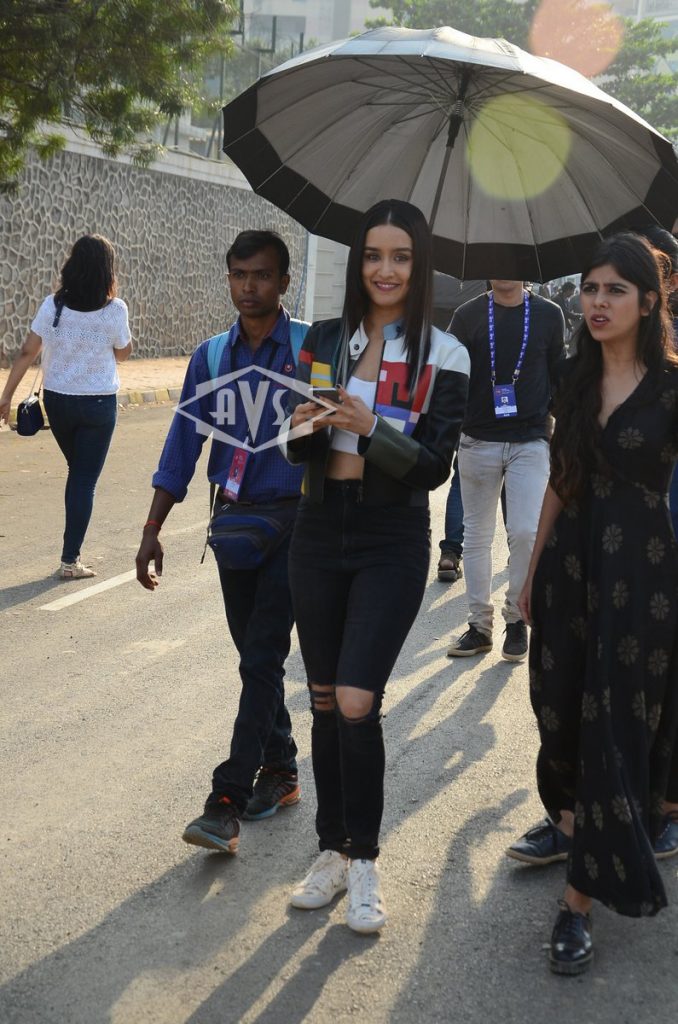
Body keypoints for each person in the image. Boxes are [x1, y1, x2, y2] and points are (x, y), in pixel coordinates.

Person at [280, 199, 470, 934]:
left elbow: (432, 466)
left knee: (359, 699)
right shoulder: (325, 340)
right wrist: (302, 426)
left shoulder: (443, 354)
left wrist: (369, 428)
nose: (384, 270)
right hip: (317, 530)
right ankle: (330, 852)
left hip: (392, 536)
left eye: (400, 257)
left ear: (418, 267)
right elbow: (295, 448)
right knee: (325, 699)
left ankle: (364, 861)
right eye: (372, 255)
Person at [508, 233, 678, 975]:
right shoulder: (574, 378)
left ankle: (578, 901)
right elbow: (562, 473)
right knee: (558, 708)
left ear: (649, 300)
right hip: (570, 565)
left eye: (615, 290)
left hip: (641, 576)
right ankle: (581, 829)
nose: (598, 302)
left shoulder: (671, 387)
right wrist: (532, 564)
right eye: (590, 289)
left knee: (615, 720)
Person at [135, 230, 306, 854]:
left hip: (299, 524)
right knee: (253, 657)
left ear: (284, 281)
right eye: (239, 274)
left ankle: (225, 801)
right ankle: (282, 768)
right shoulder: (210, 357)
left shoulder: (312, 350)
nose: (249, 286)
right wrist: (151, 530)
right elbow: (182, 446)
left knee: (262, 656)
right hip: (234, 527)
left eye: (261, 275)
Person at [0, 234, 132, 578]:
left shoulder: (53, 306)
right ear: (107, 270)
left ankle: (71, 555)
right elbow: (123, 353)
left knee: (79, 474)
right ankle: (70, 561)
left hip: (58, 402)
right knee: (84, 479)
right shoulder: (115, 310)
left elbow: (27, 351)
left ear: (72, 265)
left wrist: (6, 395)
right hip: (98, 404)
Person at [447, 280, 565, 662]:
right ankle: (479, 626)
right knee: (476, 536)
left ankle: (516, 617)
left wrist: (568, 430)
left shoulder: (549, 314)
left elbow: (559, 377)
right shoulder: (466, 316)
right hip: (477, 439)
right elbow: (449, 376)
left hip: (530, 439)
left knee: (527, 531)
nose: (504, 270)